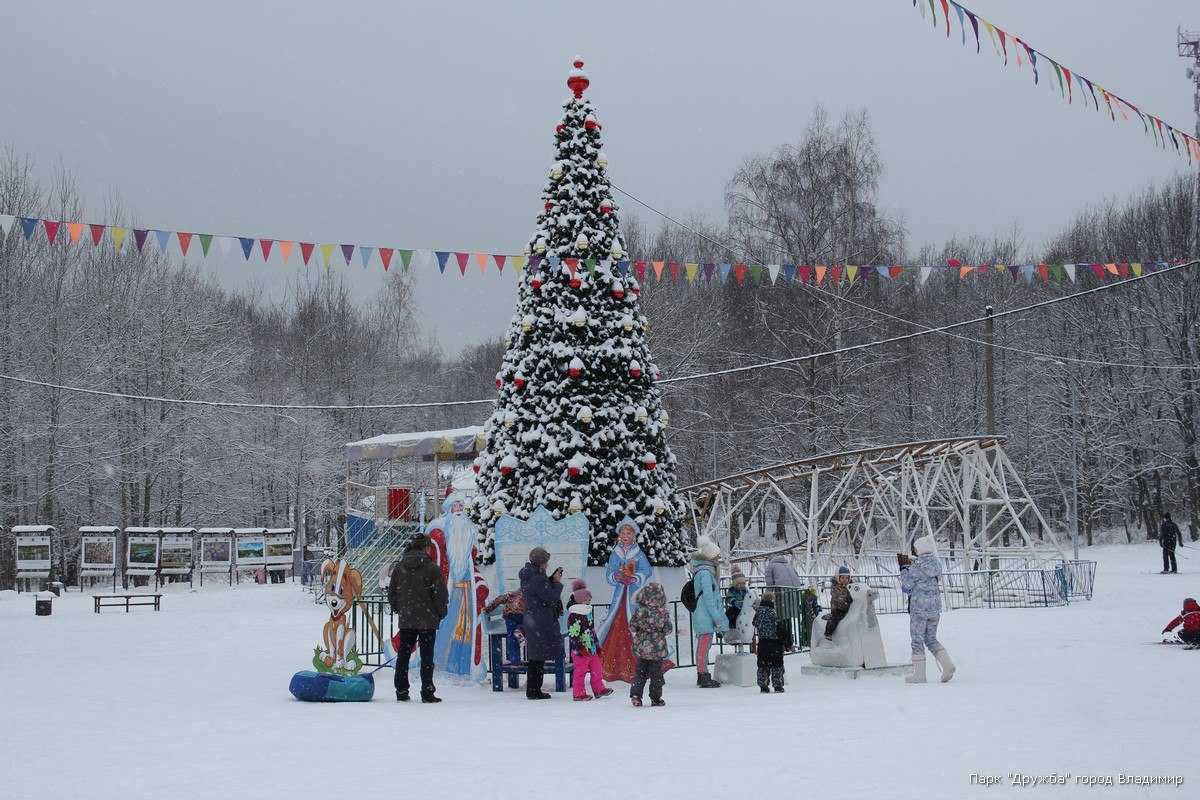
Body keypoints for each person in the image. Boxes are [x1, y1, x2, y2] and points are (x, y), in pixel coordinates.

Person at [387, 533, 449, 702]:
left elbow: (392, 592)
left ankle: (401, 690)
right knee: (427, 656)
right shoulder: (432, 568)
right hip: (427, 619)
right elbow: (440, 594)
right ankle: (427, 691)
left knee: (403, 654)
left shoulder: (400, 567)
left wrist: (399, 608)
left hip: (407, 618)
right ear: (426, 547)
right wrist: (440, 612)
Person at [597, 518, 654, 683]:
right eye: (623, 533)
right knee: (616, 626)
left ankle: (638, 667)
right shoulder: (615, 553)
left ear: (634, 535)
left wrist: (636, 577)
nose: (625, 536)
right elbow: (609, 572)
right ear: (619, 535)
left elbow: (647, 570)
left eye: (629, 533)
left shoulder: (638, 553)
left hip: (634, 596)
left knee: (634, 626)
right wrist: (616, 576)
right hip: (619, 596)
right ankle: (614, 667)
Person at [899, 535, 955, 683]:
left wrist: (904, 569)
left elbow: (906, 587)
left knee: (917, 640)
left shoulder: (916, 567)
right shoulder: (937, 564)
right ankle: (947, 665)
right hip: (934, 609)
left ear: (919, 550)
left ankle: (919, 675)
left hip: (919, 609)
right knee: (931, 639)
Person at [519, 547, 564, 700]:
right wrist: (557, 583)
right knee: (537, 658)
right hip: (540, 620)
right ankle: (534, 690)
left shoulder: (530, 575)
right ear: (541, 563)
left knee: (535, 655)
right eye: (546, 562)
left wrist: (549, 580)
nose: (547, 565)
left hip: (533, 618)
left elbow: (540, 591)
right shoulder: (537, 578)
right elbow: (550, 597)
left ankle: (533, 689)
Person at [689, 535, 727, 687]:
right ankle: (703, 675)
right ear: (710, 557)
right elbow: (709, 599)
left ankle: (703, 674)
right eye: (717, 556)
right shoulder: (705, 574)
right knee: (704, 647)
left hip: (703, 614)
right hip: (705, 615)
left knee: (704, 646)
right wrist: (716, 617)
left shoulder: (703, 572)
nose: (719, 559)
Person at [566, 579, 613, 700]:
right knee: (580, 671)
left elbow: (591, 631)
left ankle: (599, 689)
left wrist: (597, 646)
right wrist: (580, 648)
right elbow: (573, 634)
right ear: (581, 600)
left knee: (597, 668)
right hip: (580, 650)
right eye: (587, 600)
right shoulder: (574, 615)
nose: (589, 602)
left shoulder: (587, 613)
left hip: (591, 647)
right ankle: (578, 693)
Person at [628, 582, 672, 707]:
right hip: (657, 650)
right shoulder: (663, 612)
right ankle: (656, 698)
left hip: (642, 649)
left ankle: (636, 696)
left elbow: (632, 627)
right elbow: (668, 629)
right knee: (656, 675)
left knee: (639, 674)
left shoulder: (640, 611)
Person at [753, 591, 791, 692]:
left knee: (763, 664)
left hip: (762, 643)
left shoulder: (758, 612)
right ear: (772, 600)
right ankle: (777, 685)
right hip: (775, 643)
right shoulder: (772, 612)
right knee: (777, 664)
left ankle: (763, 685)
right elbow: (779, 627)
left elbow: (755, 623)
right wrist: (786, 641)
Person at [484, 588, 526, 665]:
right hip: (522, 614)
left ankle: (515, 660)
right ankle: (520, 631)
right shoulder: (530, 594)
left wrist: (488, 609)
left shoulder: (511, 594)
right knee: (524, 627)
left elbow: (498, 600)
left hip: (509, 615)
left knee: (511, 637)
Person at [825, 566, 853, 639]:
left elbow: (855, 593)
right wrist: (845, 599)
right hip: (838, 608)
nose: (845, 580)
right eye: (842, 578)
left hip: (848, 607)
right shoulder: (835, 587)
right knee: (835, 618)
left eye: (847, 578)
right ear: (838, 578)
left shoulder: (850, 586)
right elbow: (837, 596)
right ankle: (828, 632)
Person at [725, 565, 750, 630]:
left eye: (742, 583)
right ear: (734, 584)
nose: (740, 586)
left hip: (745, 608)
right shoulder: (732, 589)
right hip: (736, 608)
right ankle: (732, 628)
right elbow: (729, 597)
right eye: (738, 584)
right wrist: (734, 601)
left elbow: (749, 596)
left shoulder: (745, 590)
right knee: (731, 614)